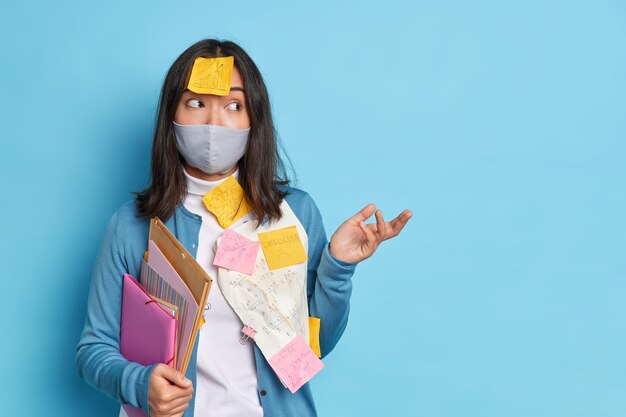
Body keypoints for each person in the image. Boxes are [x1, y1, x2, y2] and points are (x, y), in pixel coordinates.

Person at [75, 38, 412, 417]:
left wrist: (338, 267)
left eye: (234, 105)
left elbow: (312, 347)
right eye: (196, 103)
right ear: (171, 114)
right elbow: (93, 350)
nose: (214, 124)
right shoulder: (132, 226)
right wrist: (138, 384)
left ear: (255, 119)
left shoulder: (296, 213)